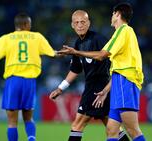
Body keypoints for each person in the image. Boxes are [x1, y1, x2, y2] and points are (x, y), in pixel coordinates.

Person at [58, 3, 146, 141]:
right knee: (111, 130)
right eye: (77, 22)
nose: (111, 17)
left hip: (126, 82)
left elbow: (101, 55)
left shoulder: (124, 31)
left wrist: (75, 52)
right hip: (117, 82)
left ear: (117, 14)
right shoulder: (120, 33)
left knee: (132, 129)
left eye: (112, 14)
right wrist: (105, 91)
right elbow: (115, 67)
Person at [0, 13, 58, 141]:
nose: (31, 26)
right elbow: (54, 54)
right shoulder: (37, 37)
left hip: (13, 82)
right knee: (28, 118)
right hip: (29, 82)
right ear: (25, 24)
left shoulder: (6, 39)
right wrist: (71, 52)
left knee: (12, 122)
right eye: (30, 24)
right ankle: (31, 139)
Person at [49, 10, 129, 141]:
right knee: (112, 127)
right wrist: (60, 88)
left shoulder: (98, 39)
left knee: (78, 124)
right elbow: (75, 70)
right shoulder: (77, 44)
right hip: (102, 88)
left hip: (98, 87)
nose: (80, 25)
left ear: (89, 23)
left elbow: (105, 57)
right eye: (77, 22)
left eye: (83, 22)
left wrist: (77, 53)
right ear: (72, 25)